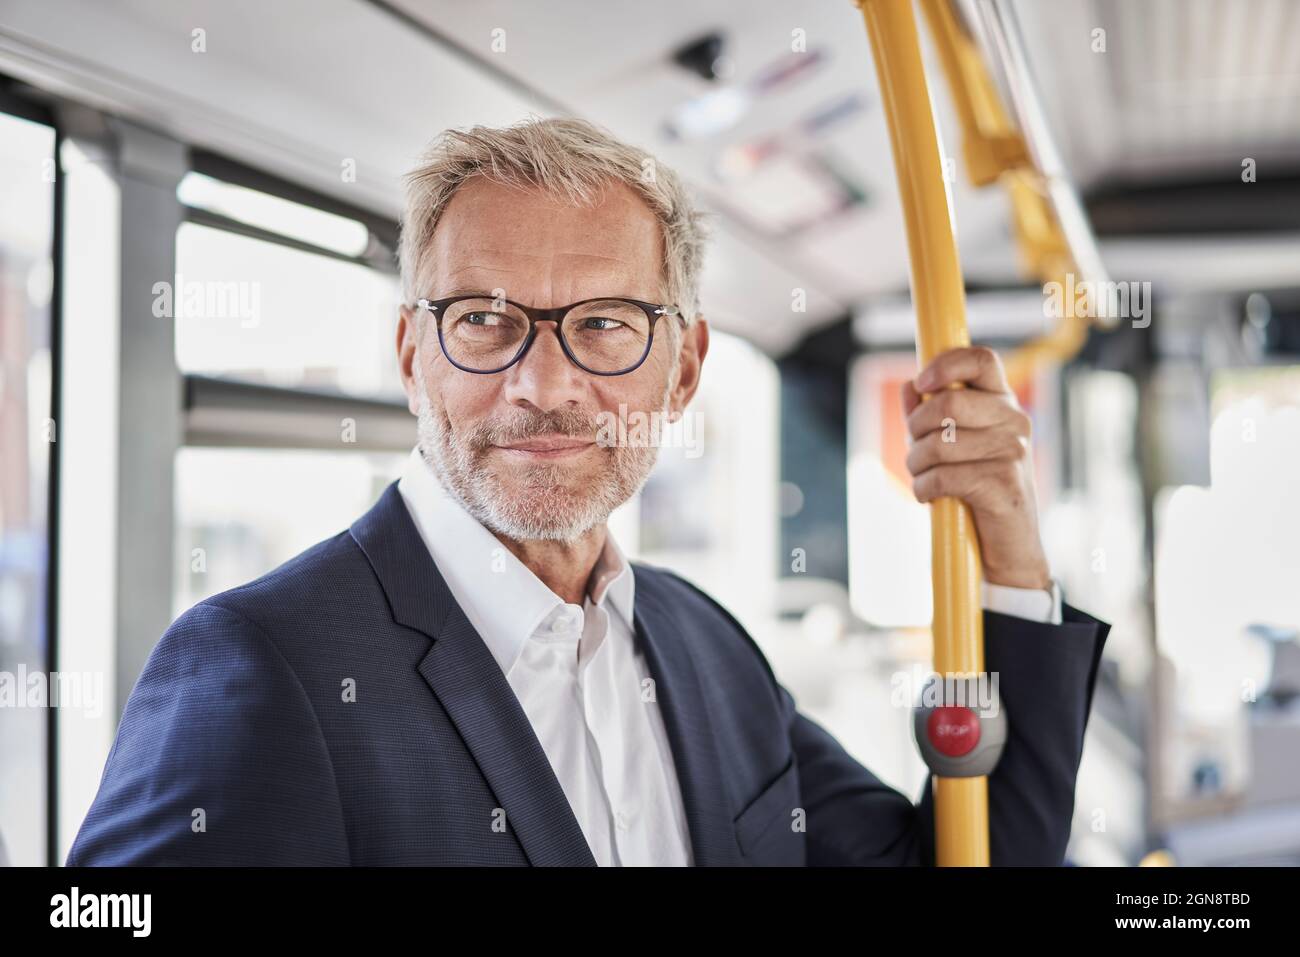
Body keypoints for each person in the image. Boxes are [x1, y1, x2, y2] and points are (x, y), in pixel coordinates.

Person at [68, 117, 1109, 866]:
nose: (543, 383)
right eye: (482, 318)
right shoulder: (261, 669)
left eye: (605, 324)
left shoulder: (706, 648)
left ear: (684, 369)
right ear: (410, 354)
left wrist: (1009, 552)